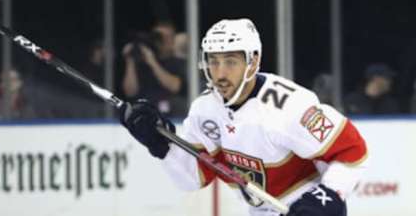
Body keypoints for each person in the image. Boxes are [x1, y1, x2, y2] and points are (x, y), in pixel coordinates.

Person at [120, 18, 367, 216]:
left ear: (253, 61)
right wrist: (161, 146)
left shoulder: (289, 107)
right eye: (214, 62)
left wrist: (328, 197)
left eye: (230, 62)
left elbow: (353, 150)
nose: (220, 73)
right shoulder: (205, 110)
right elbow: (193, 178)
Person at [121, 20, 187, 116]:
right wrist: (130, 61)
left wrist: (153, 62)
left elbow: (175, 86)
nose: (162, 40)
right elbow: (130, 92)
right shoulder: (142, 61)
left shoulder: (179, 62)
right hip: (146, 113)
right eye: (158, 36)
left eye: (167, 37)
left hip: (173, 114)